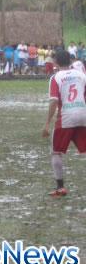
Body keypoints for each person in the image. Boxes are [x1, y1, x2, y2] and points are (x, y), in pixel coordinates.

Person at [42, 50, 86, 197]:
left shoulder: (56, 78)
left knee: (56, 152)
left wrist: (47, 123)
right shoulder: (81, 75)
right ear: (70, 61)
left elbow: (54, 101)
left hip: (66, 117)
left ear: (55, 62)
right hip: (83, 115)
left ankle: (60, 187)